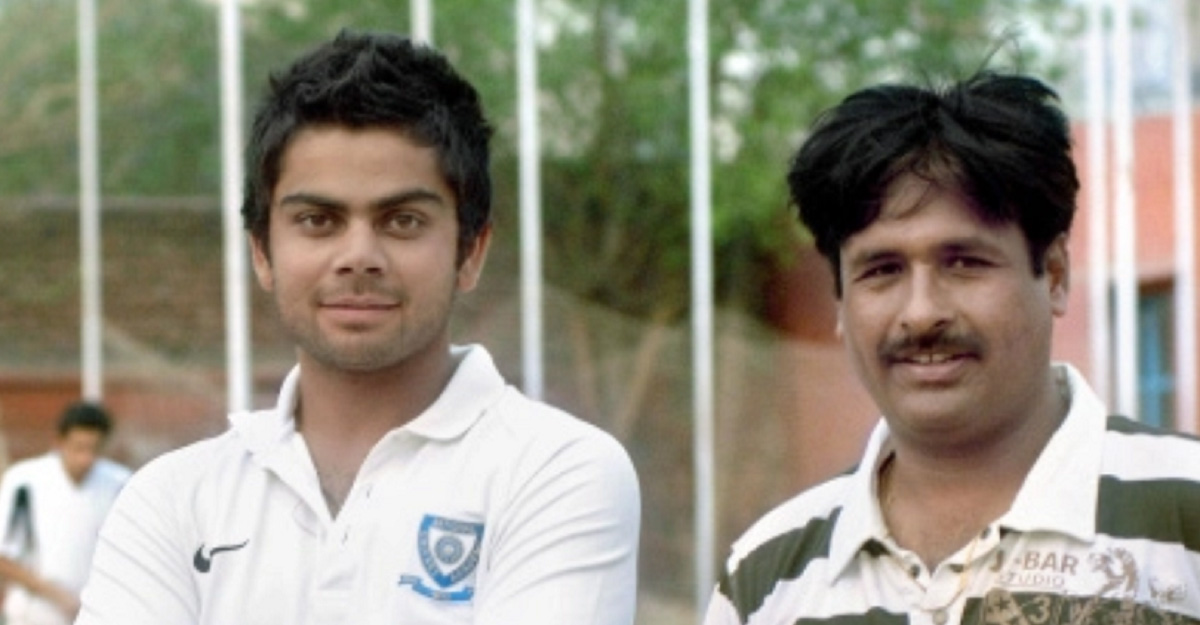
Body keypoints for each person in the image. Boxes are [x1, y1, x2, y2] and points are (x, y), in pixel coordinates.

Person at [76, 30, 640, 625]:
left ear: (471, 251)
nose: (358, 257)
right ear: (262, 252)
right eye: (318, 220)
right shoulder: (171, 500)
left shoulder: (559, 472)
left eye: (403, 220)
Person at [705, 70, 1200, 625]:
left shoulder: (1186, 517)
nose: (921, 313)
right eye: (882, 270)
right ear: (841, 301)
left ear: (1055, 275)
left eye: (964, 262)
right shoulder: (767, 579)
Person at [0, 401, 130, 625]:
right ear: (59, 442)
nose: (86, 458)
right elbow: (5, 557)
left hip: (95, 614)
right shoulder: (24, 481)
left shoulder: (119, 482)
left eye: (94, 449)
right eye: (79, 448)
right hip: (32, 615)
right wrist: (58, 596)